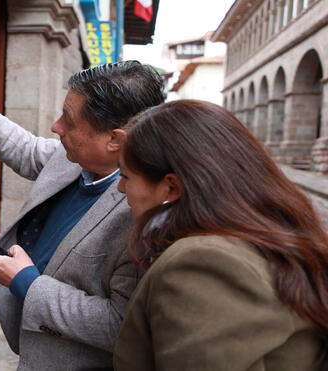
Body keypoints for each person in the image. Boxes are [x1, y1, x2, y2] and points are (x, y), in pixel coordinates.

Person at [0, 60, 164, 370]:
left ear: (115, 140)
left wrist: (27, 283)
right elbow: (22, 146)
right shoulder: (72, 157)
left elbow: (121, 326)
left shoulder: (145, 214)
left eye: (69, 121)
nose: (56, 127)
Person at [113, 99, 328, 370]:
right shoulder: (263, 231)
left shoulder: (204, 263)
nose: (121, 188)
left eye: (126, 176)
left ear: (171, 187)